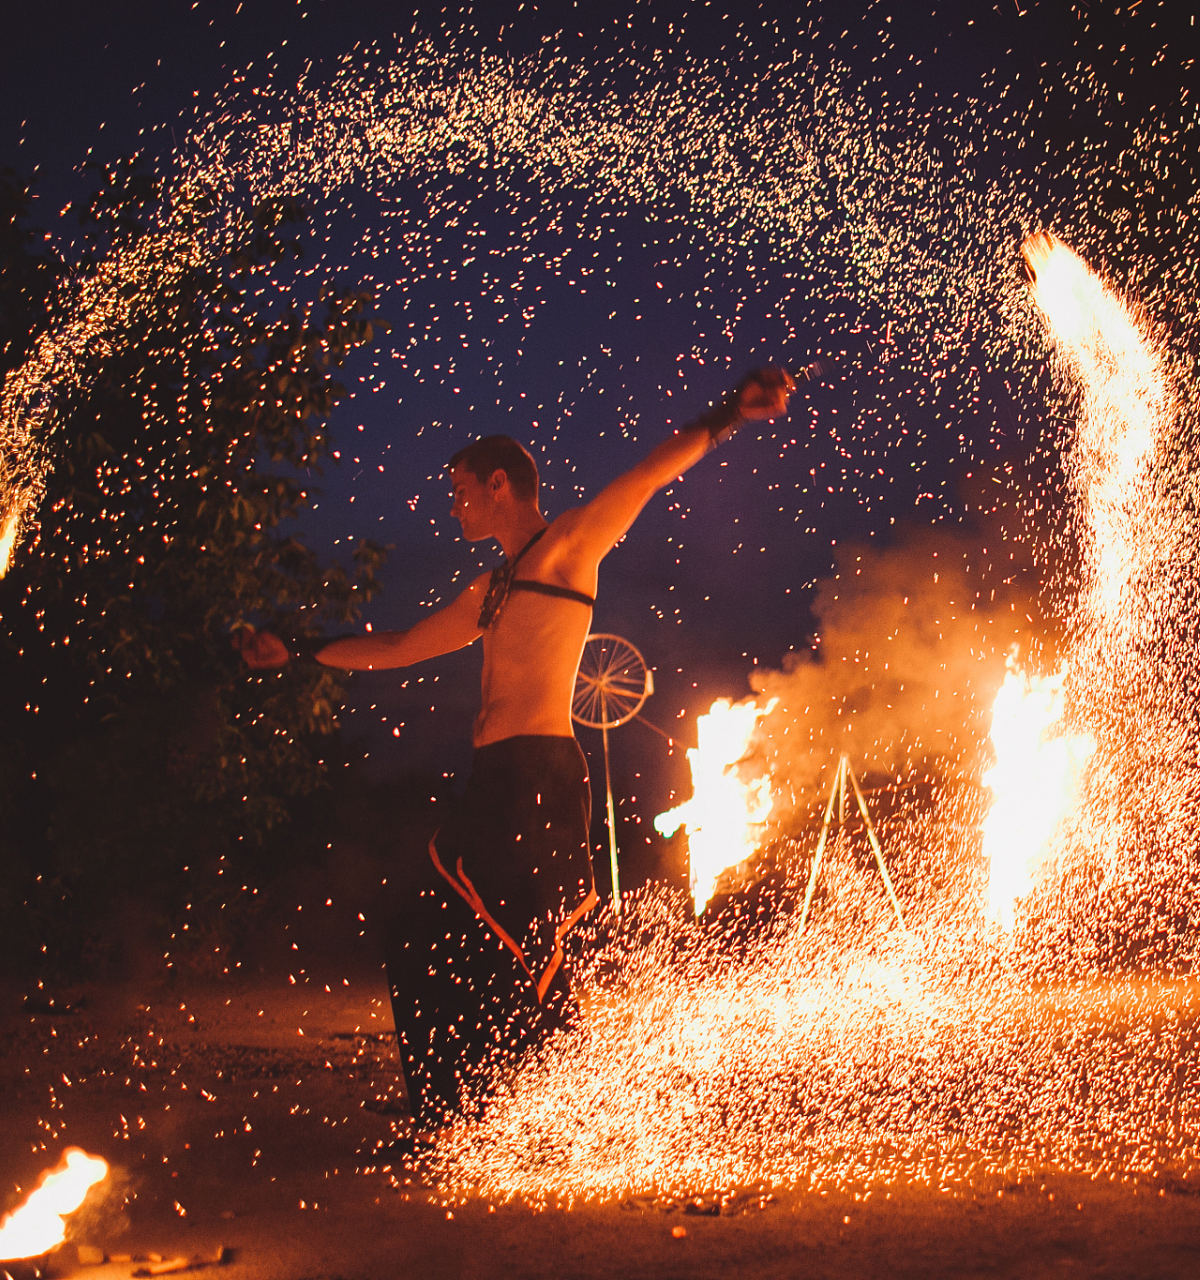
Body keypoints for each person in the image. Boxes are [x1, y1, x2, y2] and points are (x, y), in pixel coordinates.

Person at [236, 368, 794, 1132]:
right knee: (432, 934)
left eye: (460, 490)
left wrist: (730, 411)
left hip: (537, 775)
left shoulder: (567, 547)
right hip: (495, 779)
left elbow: (645, 477)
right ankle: (463, 1115)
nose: (454, 505)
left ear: (499, 484)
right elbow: (400, 645)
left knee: (506, 945)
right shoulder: (491, 588)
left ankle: (528, 1114)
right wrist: (298, 649)